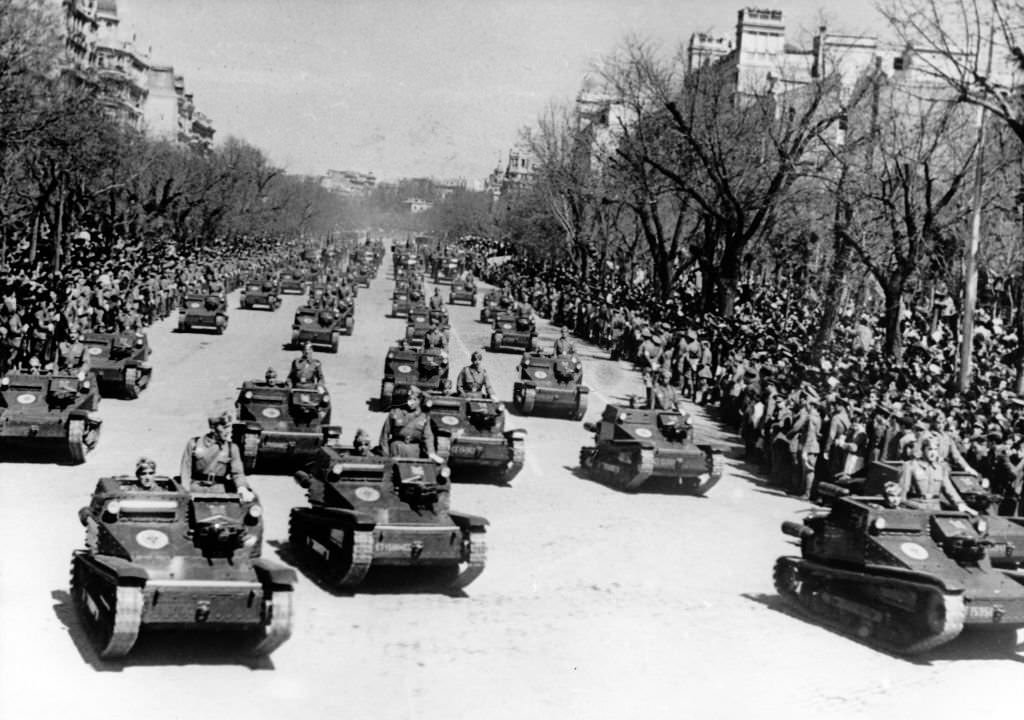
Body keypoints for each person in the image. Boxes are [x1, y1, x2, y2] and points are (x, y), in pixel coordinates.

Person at [179, 411, 254, 500]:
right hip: (196, 490)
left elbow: (238, 473)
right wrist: (186, 492)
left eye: (229, 427)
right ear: (213, 428)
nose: (228, 431)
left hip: (220, 492)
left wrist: (242, 488)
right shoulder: (194, 444)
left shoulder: (231, 448)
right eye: (224, 427)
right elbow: (185, 471)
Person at [895, 433, 974, 513]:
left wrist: (959, 503)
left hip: (936, 507)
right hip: (916, 507)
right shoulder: (910, 466)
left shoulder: (940, 468)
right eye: (930, 449)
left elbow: (949, 490)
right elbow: (902, 494)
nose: (933, 453)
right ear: (923, 450)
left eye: (935, 449)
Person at [378, 386, 442, 460]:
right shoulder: (395, 413)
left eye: (414, 399)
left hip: (414, 452)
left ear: (419, 400)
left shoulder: (423, 417)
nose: (411, 402)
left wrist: (431, 453)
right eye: (409, 399)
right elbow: (385, 435)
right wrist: (385, 454)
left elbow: (428, 437)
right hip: (396, 450)